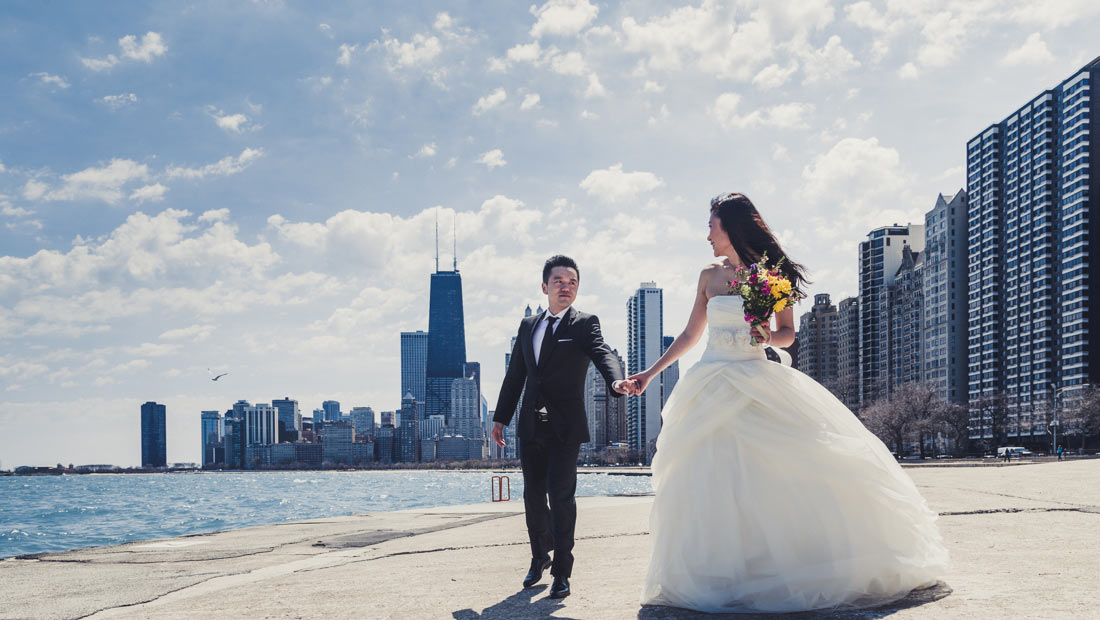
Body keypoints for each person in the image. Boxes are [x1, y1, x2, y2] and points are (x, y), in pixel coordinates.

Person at [630, 193, 949, 614]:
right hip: (710, 381)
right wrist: (648, 375)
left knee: (777, 473)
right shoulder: (708, 275)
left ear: (729, 225)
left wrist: (765, 337)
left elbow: (786, 334)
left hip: (754, 377)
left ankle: (780, 566)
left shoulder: (773, 275)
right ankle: (724, 572)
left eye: (711, 225)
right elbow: (690, 335)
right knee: (712, 478)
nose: (706, 234)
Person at [492, 255, 630, 600]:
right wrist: (500, 418)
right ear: (544, 287)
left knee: (562, 498)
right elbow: (515, 377)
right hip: (530, 427)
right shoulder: (528, 326)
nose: (565, 287)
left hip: (565, 429)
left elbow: (602, 352)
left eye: (572, 282)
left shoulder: (584, 324)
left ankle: (562, 573)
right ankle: (539, 557)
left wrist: (616, 382)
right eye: (558, 281)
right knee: (533, 498)